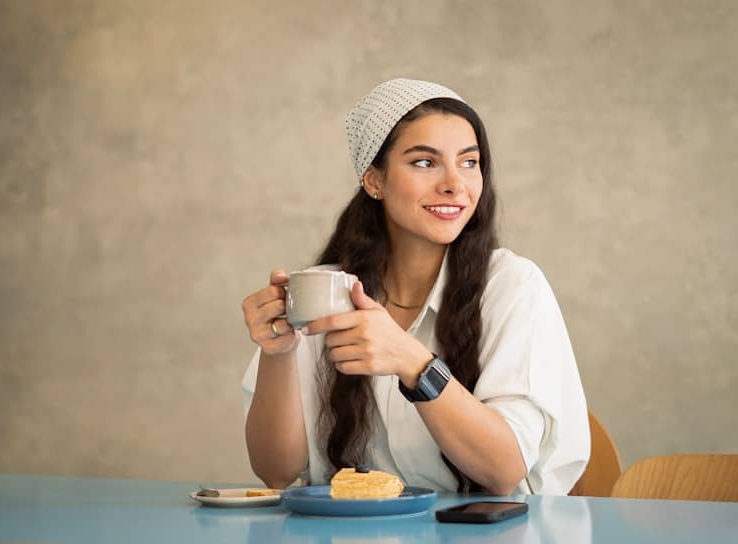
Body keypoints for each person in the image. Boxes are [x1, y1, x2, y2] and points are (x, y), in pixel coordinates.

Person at [240, 78, 590, 495]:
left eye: (469, 162)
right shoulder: (325, 292)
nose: (454, 184)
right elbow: (276, 472)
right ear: (374, 180)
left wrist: (413, 362)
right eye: (424, 162)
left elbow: (504, 471)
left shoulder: (512, 285)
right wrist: (277, 355)